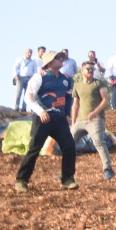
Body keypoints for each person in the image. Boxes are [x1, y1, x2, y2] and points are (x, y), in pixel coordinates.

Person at [15, 51, 78, 192]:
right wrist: (41, 111)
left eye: (61, 57)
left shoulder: (66, 79)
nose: (61, 59)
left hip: (59, 119)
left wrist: (67, 114)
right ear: (49, 62)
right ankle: (21, 180)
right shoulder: (39, 77)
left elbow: (68, 98)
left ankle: (67, 179)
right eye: (57, 57)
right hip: (43, 118)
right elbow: (28, 97)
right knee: (34, 149)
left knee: (69, 147)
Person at [71, 61, 115, 181]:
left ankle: (108, 169)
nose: (90, 70)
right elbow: (75, 104)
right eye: (88, 68)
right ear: (82, 70)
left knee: (99, 142)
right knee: (68, 144)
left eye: (92, 68)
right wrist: (73, 122)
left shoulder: (98, 83)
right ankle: (67, 173)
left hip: (96, 119)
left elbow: (105, 99)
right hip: (80, 120)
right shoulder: (77, 85)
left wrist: (95, 113)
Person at [13, 48, 39, 112]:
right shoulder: (20, 59)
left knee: (26, 94)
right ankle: (16, 106)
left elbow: (35, 71)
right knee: (18, 93)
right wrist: (16, 75)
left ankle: (24, 108)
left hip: (29, 79)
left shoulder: (33, 62)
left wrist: (34, 79)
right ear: (25, 53)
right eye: (28, 52)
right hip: (21, 78)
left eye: (31, 53)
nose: (29, 54)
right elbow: (15, 67)